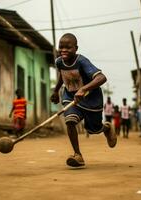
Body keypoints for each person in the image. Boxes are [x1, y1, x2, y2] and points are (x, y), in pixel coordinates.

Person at [50, 33, 117, 167]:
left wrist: (84, 89)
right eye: (61, 47)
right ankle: (78, 155)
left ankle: (106, 128)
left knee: (94, 129)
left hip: (91, 99)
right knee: (70, 121)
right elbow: (62, 75)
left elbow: (102, 78)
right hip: (70, 97)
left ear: (76, 48)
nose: (63, 50)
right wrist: (56, 90)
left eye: (68, 47)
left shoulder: (82, 61)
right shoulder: (59, 62)